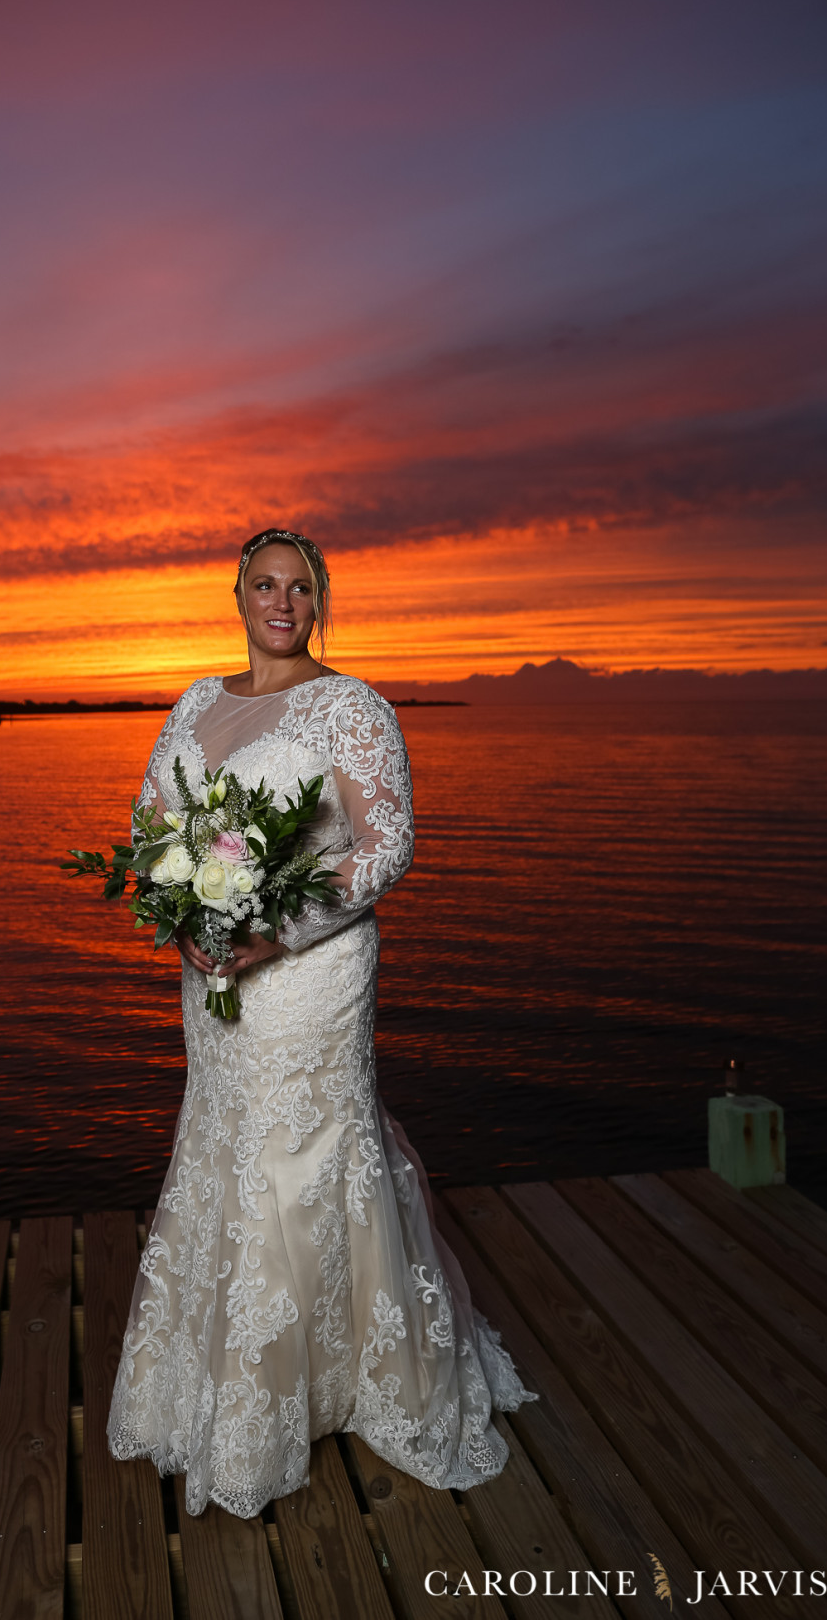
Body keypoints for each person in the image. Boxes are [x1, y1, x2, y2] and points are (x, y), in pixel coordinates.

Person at [107, 528, 534, 1517]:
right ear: (238, 594)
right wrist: (183, 918)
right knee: (225, 1143)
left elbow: (385, 849)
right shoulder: (195, 702)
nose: (282, 600)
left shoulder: (351, 707)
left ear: (320, 601)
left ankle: (332, 1383)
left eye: (301, 586)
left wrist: (270, 933)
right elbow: (151, 830)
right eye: (265, 582)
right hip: (211, 980)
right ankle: (230, 1374)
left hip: (308, 974)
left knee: (302, 1151)